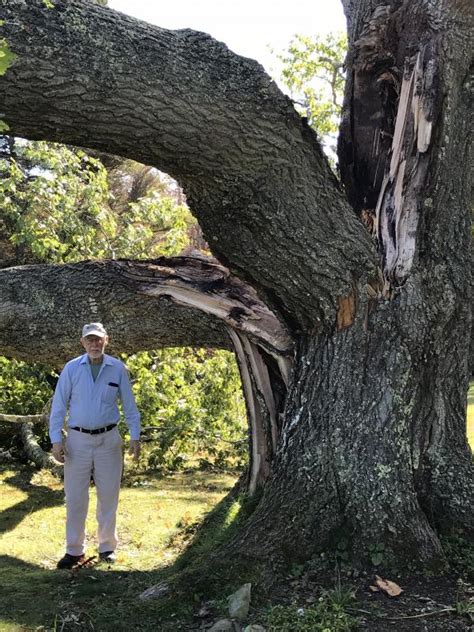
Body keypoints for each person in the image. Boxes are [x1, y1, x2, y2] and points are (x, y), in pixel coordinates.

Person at [49, 322, 141, 569]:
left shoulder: (117, 369)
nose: (94, 344)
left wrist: (135, 436)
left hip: (108, 440)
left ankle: (107, 547)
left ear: (106, 340)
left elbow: (129, 405)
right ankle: (73, 551)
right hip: (77, 441)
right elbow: (59, 406)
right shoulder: (71, 369)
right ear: (82, 342)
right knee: (76, 497)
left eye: (98, 339)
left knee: (108, 495)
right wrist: (56, 439)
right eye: (89, 340)